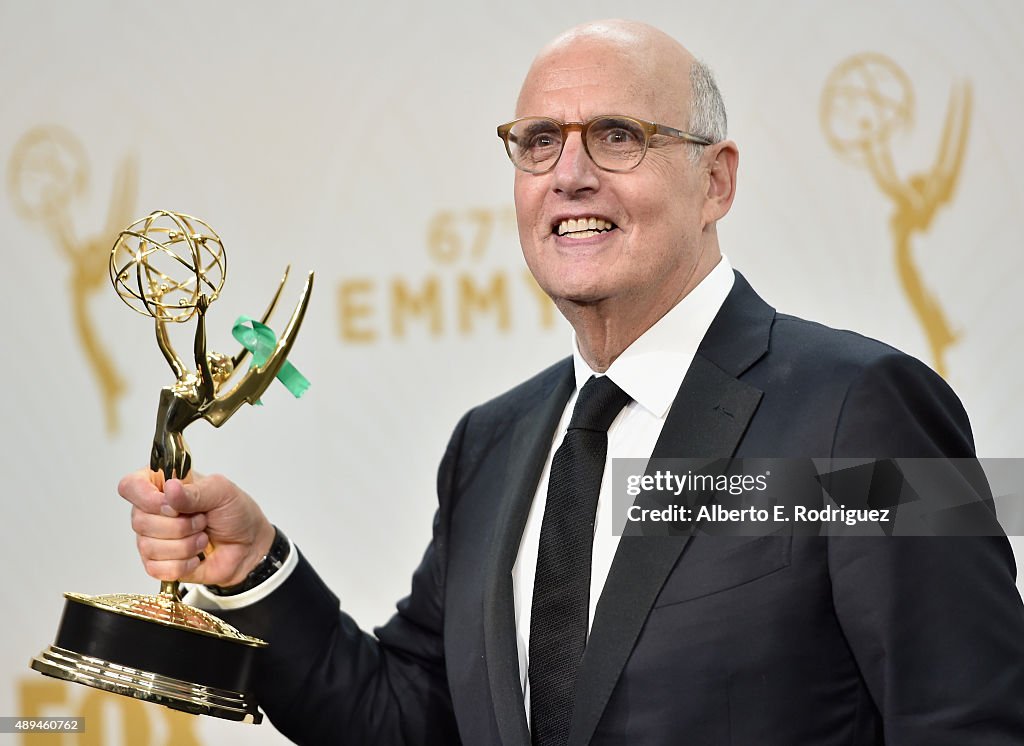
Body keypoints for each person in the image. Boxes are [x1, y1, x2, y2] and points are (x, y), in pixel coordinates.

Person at [119, 19, 1024, 745]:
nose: (571, 176)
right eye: (540, 141)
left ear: (716, 181)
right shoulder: (492, 443)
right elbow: (412, 720)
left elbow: (971, 721)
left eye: (619, 136)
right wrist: (252, 571)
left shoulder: (867, 405)